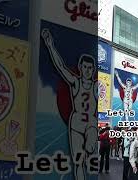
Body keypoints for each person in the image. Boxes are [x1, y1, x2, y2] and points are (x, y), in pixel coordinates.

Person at [42, 29, 97, 180]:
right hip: (76, 125)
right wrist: (50, 45)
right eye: (84, 67)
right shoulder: (75, 82)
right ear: (80, 67)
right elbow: (61, 67)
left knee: (91, 146)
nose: (87, 70)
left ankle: (89, 149)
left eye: (90, 68)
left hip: (91, 123)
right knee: (78, 163)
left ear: (93, 70)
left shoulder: (96, 86)